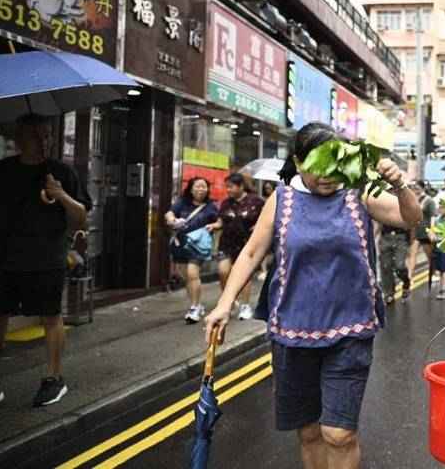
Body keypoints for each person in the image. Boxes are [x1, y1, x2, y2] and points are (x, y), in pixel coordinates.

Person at [204, 122, 421, 469]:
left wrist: (400, 185)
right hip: (293, 332)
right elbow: (250, 253)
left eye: (334, 166)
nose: (327, 177)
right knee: (308, 433)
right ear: (299, 162)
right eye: (318, 168)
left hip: (350, 331)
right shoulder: (282, 199)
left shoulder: (359, 192)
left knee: (339, 434)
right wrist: (224, 304)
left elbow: (411, 218)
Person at [0, 114, 91, 407]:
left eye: (47, 135)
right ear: (18, 140)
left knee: (51, 316)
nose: (43, 141)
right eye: (35, 135)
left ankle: (54, 378)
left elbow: (81, 218)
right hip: (6, 257)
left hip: (47, 257)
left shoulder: (61, 172)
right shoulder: (3, 171)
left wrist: (61, 195)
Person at [210, 174, 265, 320]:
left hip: (245, 243)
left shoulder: (256, 201)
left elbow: (265, 220)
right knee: (223, 271)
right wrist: (213, 226)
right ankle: (230, 300)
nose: (228, 190)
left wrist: (257, 228)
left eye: (231, 186)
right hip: (227, 243)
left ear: (241, 186)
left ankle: (245, 305)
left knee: (243, 275)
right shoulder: (226, 203)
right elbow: (221, 221)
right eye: (226, 187)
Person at [164, 177, 219, 324]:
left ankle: (194, 307)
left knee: (192, 273)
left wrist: (213, 226)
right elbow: (169, 213)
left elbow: (220, 220)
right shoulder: (182, 202)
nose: (201, 189)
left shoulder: (211, 206)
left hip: (198, 245)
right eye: (197, 186)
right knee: (186, 276)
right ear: (191, 188)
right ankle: (197, 304)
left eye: (204, 187)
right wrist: (172, 220)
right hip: (181, 243)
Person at [408, 180, 436, 289]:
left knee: (430, 257)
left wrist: (432, 230)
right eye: (414, 187)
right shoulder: (413, 199)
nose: (415, 189)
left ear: (422, 188)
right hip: (415, 231)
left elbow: (433, 217)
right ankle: (410, 278)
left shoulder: (429, 201)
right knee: (412, 255)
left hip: (426, 231)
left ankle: (433, 273)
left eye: (417, 187)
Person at [378, 220, 411, 304]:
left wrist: (411, 240)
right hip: (386, 237)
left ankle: (406, 283)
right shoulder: (383, 206)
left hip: (401, 236)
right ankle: (389, 294)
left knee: (399, 266)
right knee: (385, 266)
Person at [430, 203, 445, 299]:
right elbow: (432, 231)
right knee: (440, 269)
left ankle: (443, 290)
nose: (440, 209)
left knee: (444, 269)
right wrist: (432, 235)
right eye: (440, 207)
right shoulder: (437, 219)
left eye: (443, 207)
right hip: (437, 246)